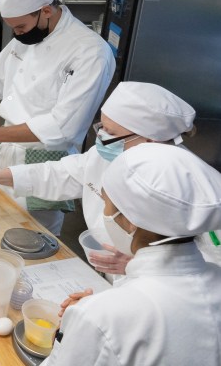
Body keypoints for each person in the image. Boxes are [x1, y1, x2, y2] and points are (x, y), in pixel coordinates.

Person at [0, 81, 195, 276]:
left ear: (151, 140)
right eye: (101, 126)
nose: (101, 136)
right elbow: (59, 173)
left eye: (111, 133)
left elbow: (205, 264)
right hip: (110, 267)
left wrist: (140, 266)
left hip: (154, 283)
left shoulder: (184, 183)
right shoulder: (108, 156)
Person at [0, 0, 115, 236]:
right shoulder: (28, 36)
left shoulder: (90, 52)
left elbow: (62, 128)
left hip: (44, 161)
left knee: (29, 236)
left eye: (20, 27)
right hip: (5, 152)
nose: (16, 34)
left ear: (46, 10)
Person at [42, 144, 221, 365]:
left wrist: (74, 326)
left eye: (106, 203)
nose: (104, 213)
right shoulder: (215, 278)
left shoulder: (101, 316)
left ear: (129, 222)